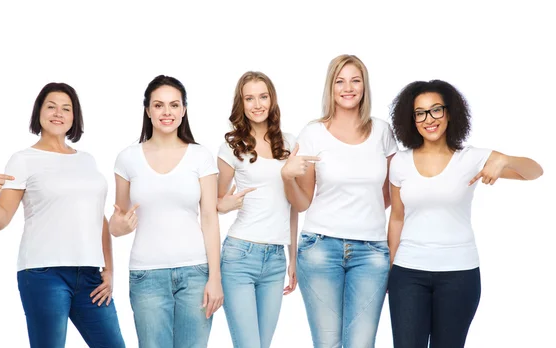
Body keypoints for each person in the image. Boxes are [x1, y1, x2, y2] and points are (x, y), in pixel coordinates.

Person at [387, 79, 543, 348]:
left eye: (436, 110)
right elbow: (397, 217)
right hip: (408, 273)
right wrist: (391, 269)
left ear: (449, 113)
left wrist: (504, 160)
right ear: (411, 119)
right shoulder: (400, 162)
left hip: (459, 274)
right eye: (420, 113)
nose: (429, 119)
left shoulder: (470, 158)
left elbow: (535, 172)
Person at [0, 82, 126, 348]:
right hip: (44, 274)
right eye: (51, 106)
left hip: (90, 276)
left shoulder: (87, 160)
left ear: (74, 117)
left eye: (66, 108)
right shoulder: (23, 159)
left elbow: (97, 218)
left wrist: (109, 269)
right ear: (39, 112)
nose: (58, 113)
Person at [281, 54, 397, 348]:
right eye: (340, 81)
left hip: (371, 252)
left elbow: (389, 195)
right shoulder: (313, 133)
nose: (348, 88)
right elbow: (303, 201)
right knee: (328, 343)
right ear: (330, 88)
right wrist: (287, 177)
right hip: (320, 248)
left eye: (355, 80)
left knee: (361, 343)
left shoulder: (382, 132)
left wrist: (360, 211)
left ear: (364, 86)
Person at [109, 75, 223, 348]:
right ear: (148, 111)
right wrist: (120, 226)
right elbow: (116, 219)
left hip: (196, 273)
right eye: (159, 105)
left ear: (184, 110)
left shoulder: (200, 156)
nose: (167, 112)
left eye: (174, 105)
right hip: (146, 276)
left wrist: (215, 278)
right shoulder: (127, 158)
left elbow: (209, 218)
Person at [217, 71, 298, 348]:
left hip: (275, 259)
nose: (257, 104)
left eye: (263, 96)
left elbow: (294, 206)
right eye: (249, 98)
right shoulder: (232, 146)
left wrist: (293, 258)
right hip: (240, 255)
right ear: (241, 104)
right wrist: (224, 205)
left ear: (272, 99)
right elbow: (213, 201)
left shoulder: (288, 143)